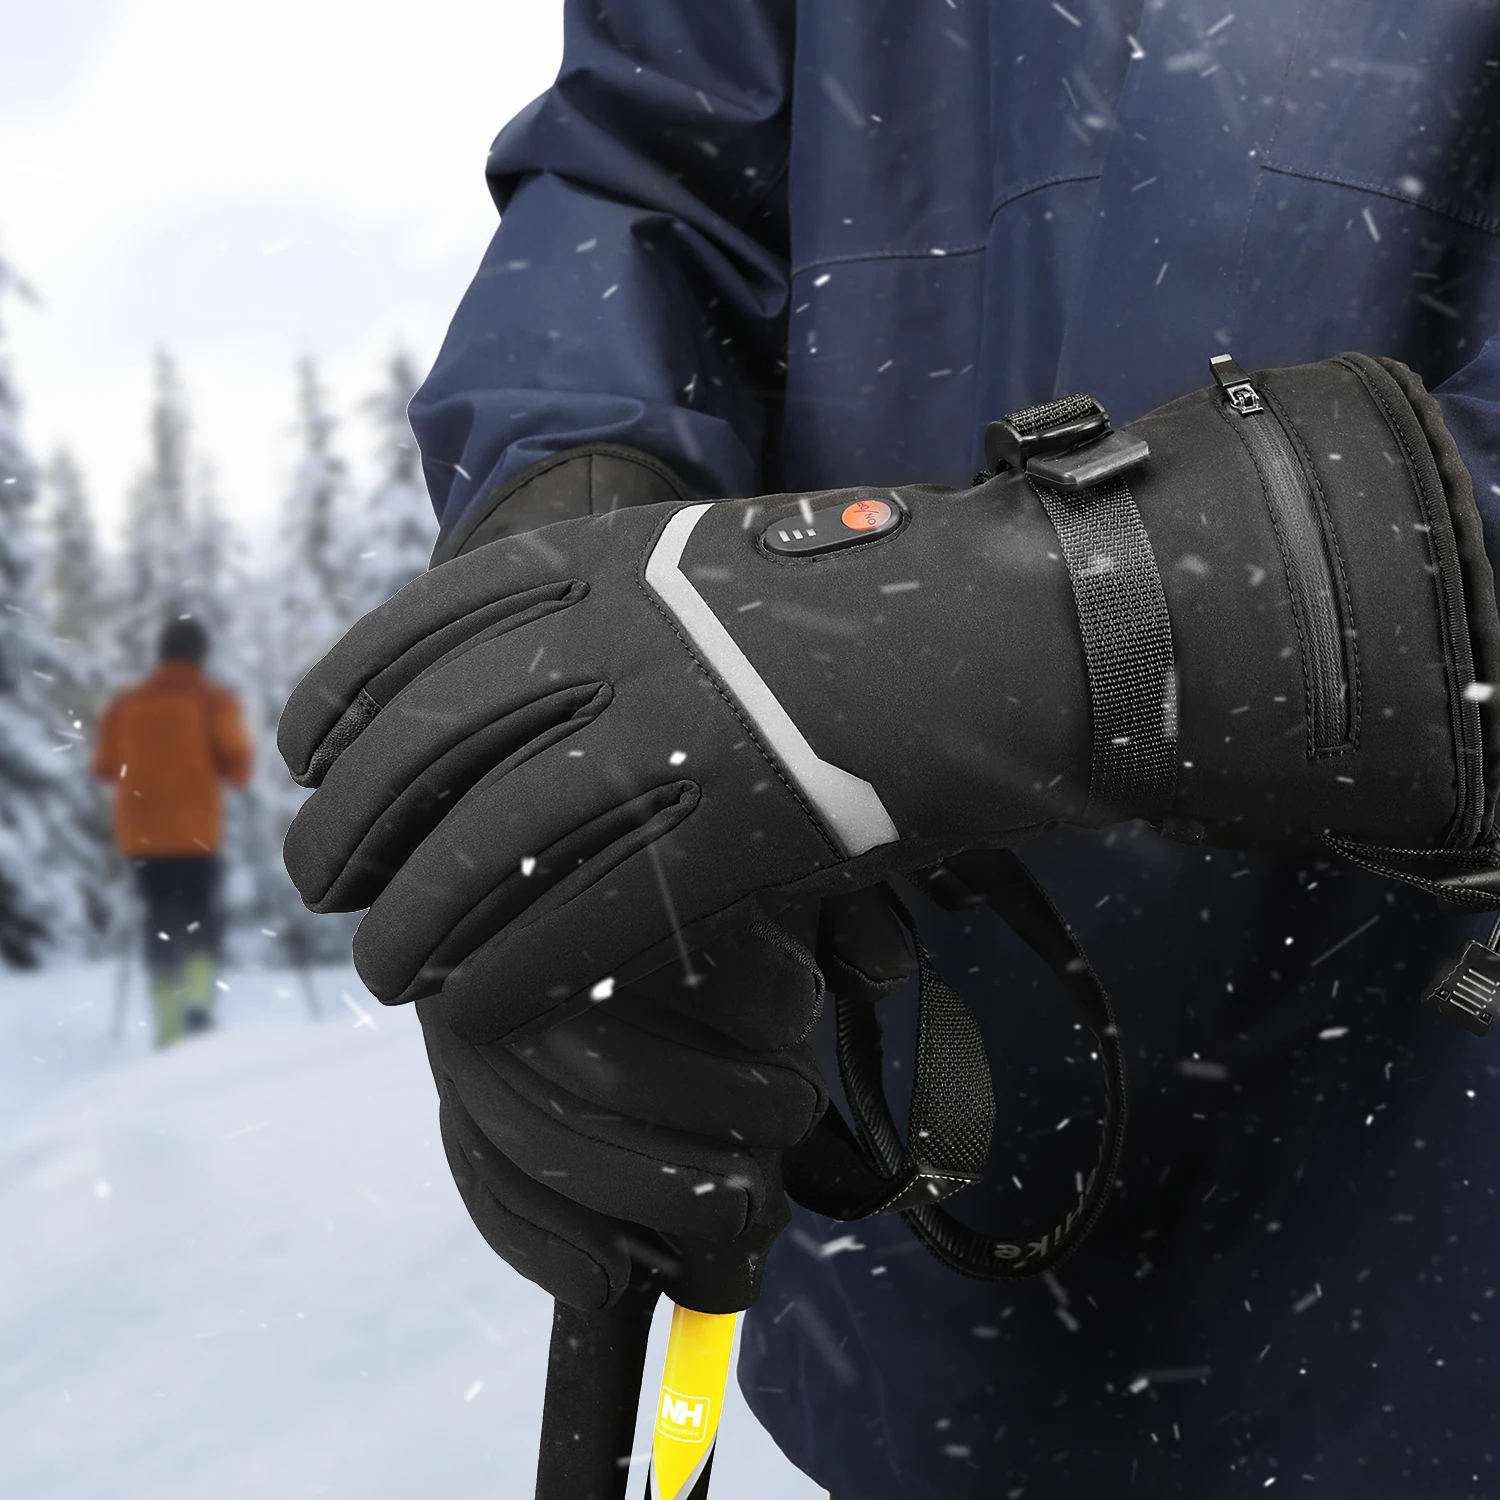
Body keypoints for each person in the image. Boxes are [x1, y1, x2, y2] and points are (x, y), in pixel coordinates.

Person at [280, 5, 1500, 1495]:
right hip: (905, 1201)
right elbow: (644, 178)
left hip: (1431, 1158)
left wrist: (1087, 611)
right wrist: (574, 571)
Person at [94, 616, 251, 1046]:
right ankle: (198, 1002)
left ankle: (168, 1020)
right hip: (196, 831)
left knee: (159, 916)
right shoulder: (213, 700)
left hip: (141, 834)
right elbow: (237, 765)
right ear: (200, 655)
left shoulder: (127, 703)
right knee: (200, 913)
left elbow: (104, 766)